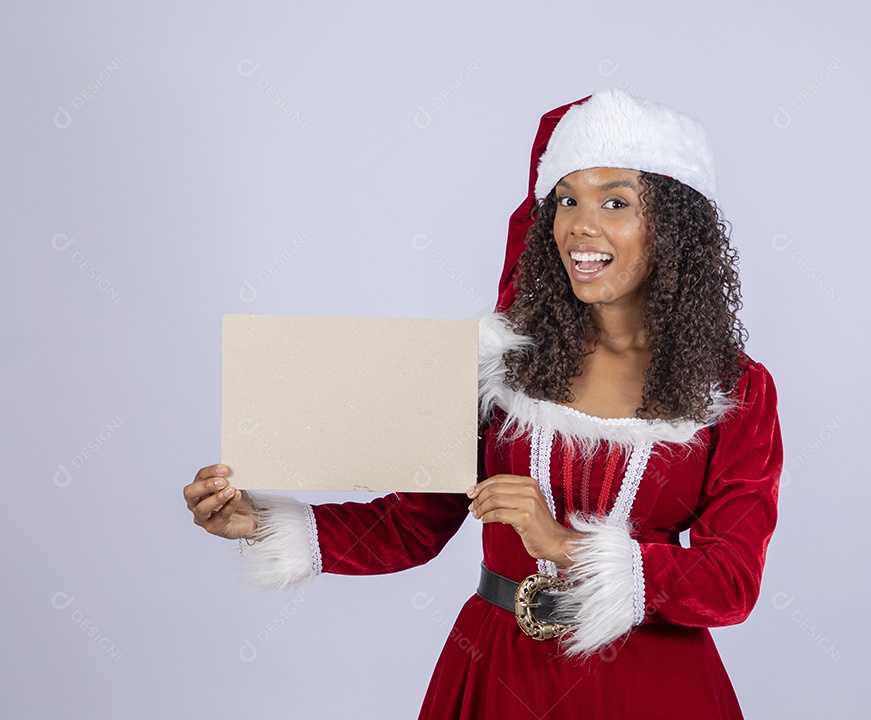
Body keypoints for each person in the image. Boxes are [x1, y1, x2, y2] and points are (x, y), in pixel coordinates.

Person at [183, 87, 783, 719]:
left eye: (615, 202)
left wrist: (561, 543)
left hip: (653, 688)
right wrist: (260, 522)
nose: (582, 223)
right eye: (567, 200)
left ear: (674, 227)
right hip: (500, 675)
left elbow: (732, 582)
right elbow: (411, 524)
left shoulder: (736, 390)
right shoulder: (499, 363)